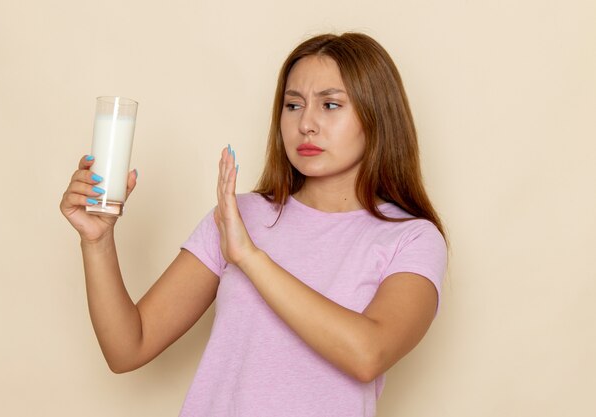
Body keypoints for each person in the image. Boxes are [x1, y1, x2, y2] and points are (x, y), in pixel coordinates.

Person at [60, 32, 447, 417]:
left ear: (376, 115)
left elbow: (368, 354)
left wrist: (249, 257)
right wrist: (98, 241)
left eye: (330, 105)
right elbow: (128, 348)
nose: (306, 124)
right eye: (293, 105)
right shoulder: (239, 215)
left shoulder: (411, 238)